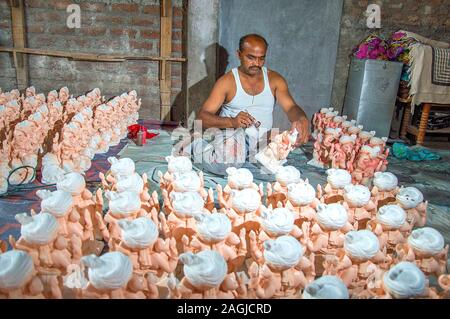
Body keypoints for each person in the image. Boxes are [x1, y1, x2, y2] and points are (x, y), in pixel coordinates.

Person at [188, 34, 310, 176]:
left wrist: (301, 119)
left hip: (261, 140)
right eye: (251, 57)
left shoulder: (275, 80)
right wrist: (232, 121)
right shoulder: (227, 82)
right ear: (239, 54)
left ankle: (247, 158)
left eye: (261, 58)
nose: (257, 63)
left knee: (276, 175)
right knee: (225, 167)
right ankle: (196, 144)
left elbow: (291, 107)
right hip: (233, 135)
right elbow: (202, 117)